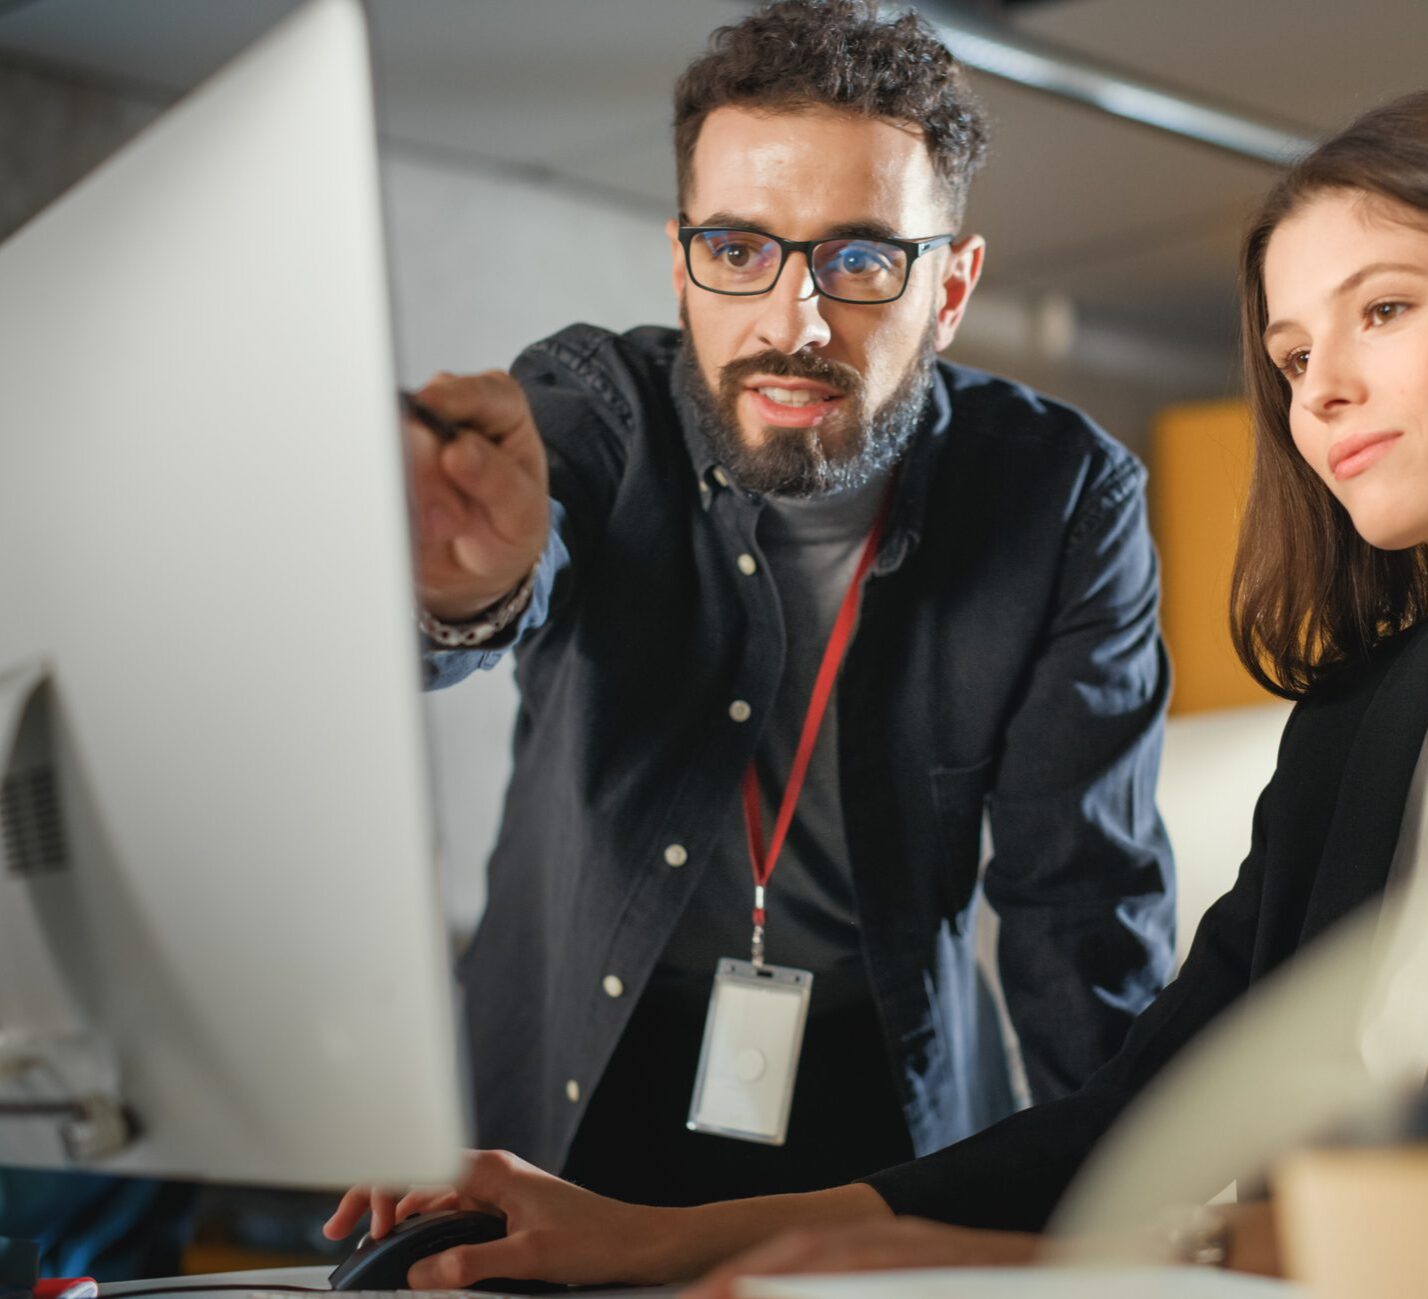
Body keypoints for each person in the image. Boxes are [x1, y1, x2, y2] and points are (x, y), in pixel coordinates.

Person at [326, 89, 1428, 1292]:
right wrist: (644, 1233)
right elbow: (1150, 1101)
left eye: (1382, 312)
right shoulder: (1368, 713)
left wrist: (1036, 1262)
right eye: (1291, 346)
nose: (1318, 389)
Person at [400, 0, 1176, 1211]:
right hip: (570, 1080)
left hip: (885, 1096)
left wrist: (1145, 1213)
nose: (792, 323)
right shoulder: (595, 407)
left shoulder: (1063, 500)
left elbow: (1082, 905)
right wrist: (463, 587)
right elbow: (513, 566)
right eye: (740, 249)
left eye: (861, 258)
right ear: (682, 261)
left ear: (953, 288)